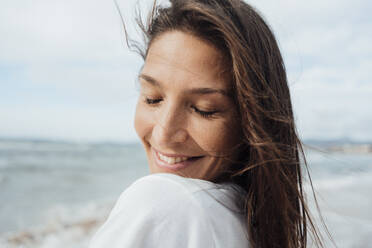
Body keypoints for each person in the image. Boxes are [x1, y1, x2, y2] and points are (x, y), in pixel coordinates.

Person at [89, 0, 326, 247]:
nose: (164, 133)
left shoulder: (161, 205)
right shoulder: (247, 221)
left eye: (204, 110)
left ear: (251, 121)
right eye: (153, 99)